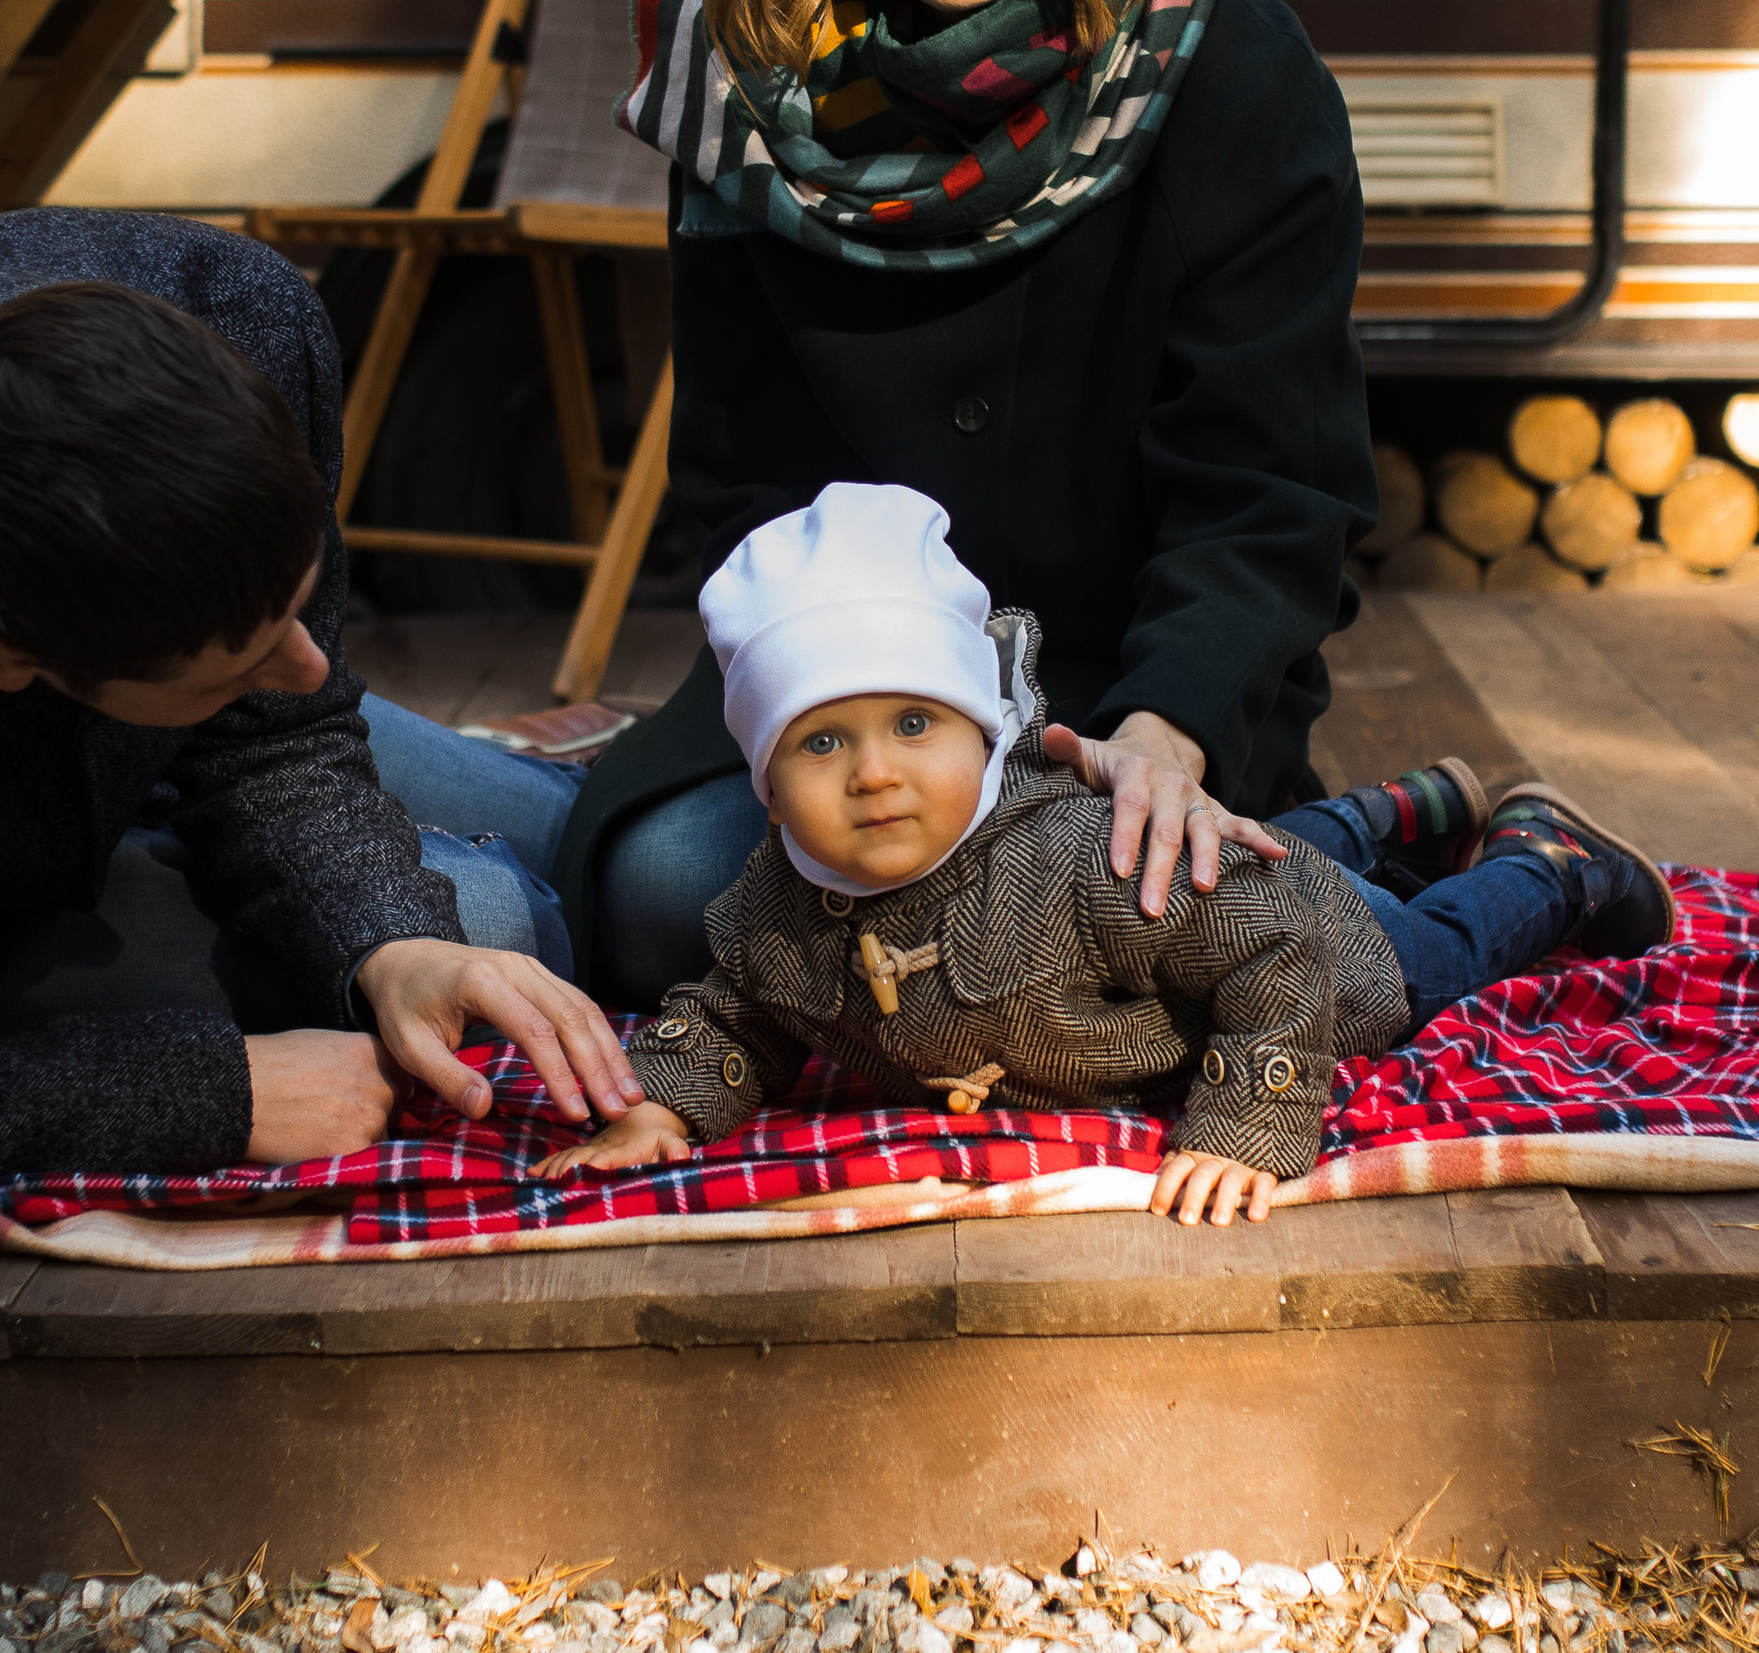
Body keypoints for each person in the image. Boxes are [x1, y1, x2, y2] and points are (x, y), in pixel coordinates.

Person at [544, 0, 1388, 1005]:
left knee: (1110, 935)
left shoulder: (1229, 62)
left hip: (1144, 694)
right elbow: (747, 491)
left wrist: (1170, 729)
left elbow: (1272, 487)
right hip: (855, 703)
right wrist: (855, 732)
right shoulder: (742, 98)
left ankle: (1439, 847)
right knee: (662, 902)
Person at [0, 211, 642, 1241]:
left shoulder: (238, 316)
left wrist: (389, 940)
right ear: (16, 660)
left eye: (297, 606)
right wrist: (213, 1090)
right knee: (496, 923)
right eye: (240, 657)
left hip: (99, 744)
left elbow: (280, 725)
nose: (312, 665)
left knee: (629, 881)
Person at [538, 485, 1674, 1223]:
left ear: (982, 730)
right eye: (821, 740)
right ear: (765, 779)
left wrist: (1244, 1124)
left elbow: (1275, 944)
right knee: (1251, 858)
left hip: (1296, 951)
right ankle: (1395, 809)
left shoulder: (1077, 867)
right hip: (1214, 902)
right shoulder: (772, 907)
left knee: (1412, 955)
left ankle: (1547, 860)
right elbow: (739, 1007)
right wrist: (666, 1107)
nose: (873, 772)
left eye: (915, 725)